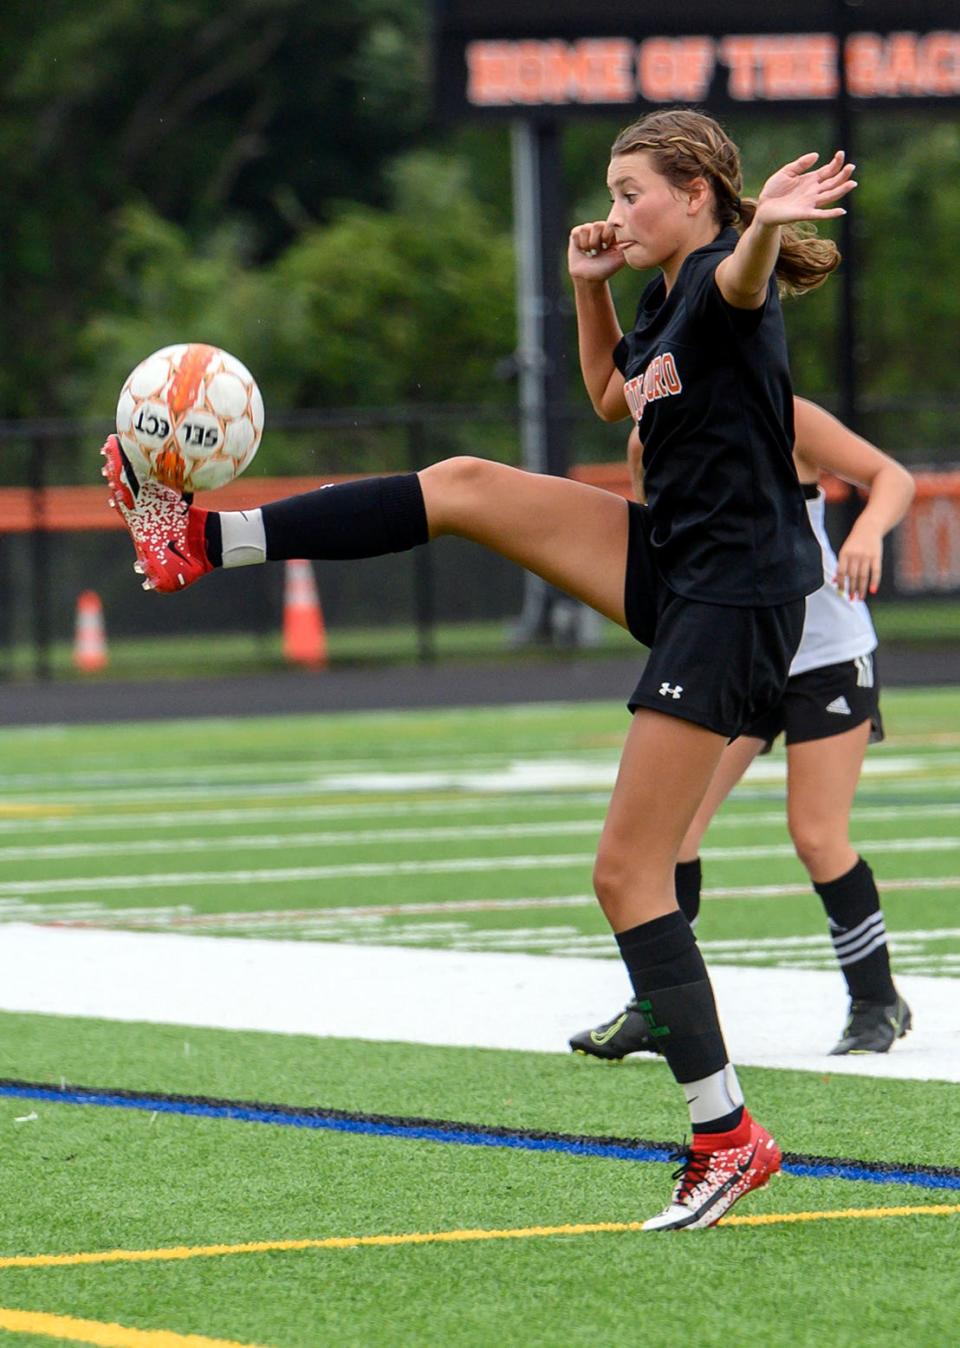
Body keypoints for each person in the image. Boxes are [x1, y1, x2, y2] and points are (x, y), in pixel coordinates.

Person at [100, 107, 856, 1230]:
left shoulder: (719, 282)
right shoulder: (660, 296)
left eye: (635, 190)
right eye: (610, 188)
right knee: (461, 483)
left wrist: (763, 229)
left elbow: (745, 282)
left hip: (735, 599)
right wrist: (589, 285)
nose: (615, 208)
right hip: (681, 565)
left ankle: (726, 1134)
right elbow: (614, 399)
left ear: (699, 195)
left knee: (625, 876)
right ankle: (203, 541)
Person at [570, 402, 916, 1062]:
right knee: (673, 829)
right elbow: (661, 538)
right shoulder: (659, 431)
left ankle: (877, 1001)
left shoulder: (781, 411)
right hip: (745, 648)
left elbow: (891, 477)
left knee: (816, 834)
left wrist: (867, 532)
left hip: (825, 656)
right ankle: (661, 1004)